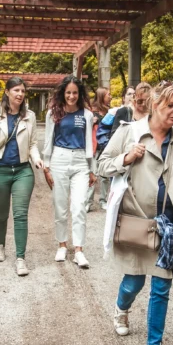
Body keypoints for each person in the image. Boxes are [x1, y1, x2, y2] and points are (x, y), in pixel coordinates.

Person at [99, 81, 173, 345]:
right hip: (137, 221)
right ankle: (121, 309)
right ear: (155, 104)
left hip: (168, 226)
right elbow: (102, 165)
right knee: (134, 282)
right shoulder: (129, 132)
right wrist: (125, 158)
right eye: (170, 105)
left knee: (161, 286)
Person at [0, 77, 44, 277]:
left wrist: (37, 158)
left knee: (20, 214)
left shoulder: (29, 116)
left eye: (22, 91)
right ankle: (0, 245)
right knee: (1, 213)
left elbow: (32, 143)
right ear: (7, 92)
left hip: (23, 171)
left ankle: (20, 259)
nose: (20, 94)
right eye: (16, 90)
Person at [43, 76, 96, 268]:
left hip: (81, 160)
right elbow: (48, 140)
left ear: (79, 94)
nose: (71, 96)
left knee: (79, 205)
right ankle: (62, 245)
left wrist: (92, 169)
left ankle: (79, 250)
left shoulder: (87, 115)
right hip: (59, 158)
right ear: (63, 93)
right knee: (60, 205)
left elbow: (90, 143)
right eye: (68, 93)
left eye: (75, 92)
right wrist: (46, 167)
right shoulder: (53, 113)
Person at [88, 87, 113, 211]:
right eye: (108, 94)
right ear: (102, 96)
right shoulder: (91, 112)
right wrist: (90, 123)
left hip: (106, 148)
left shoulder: (111, 112)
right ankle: (88, 202)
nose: (111, 96)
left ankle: (103, 200)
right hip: (94, 148)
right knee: (92, 173)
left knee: (105, 176)